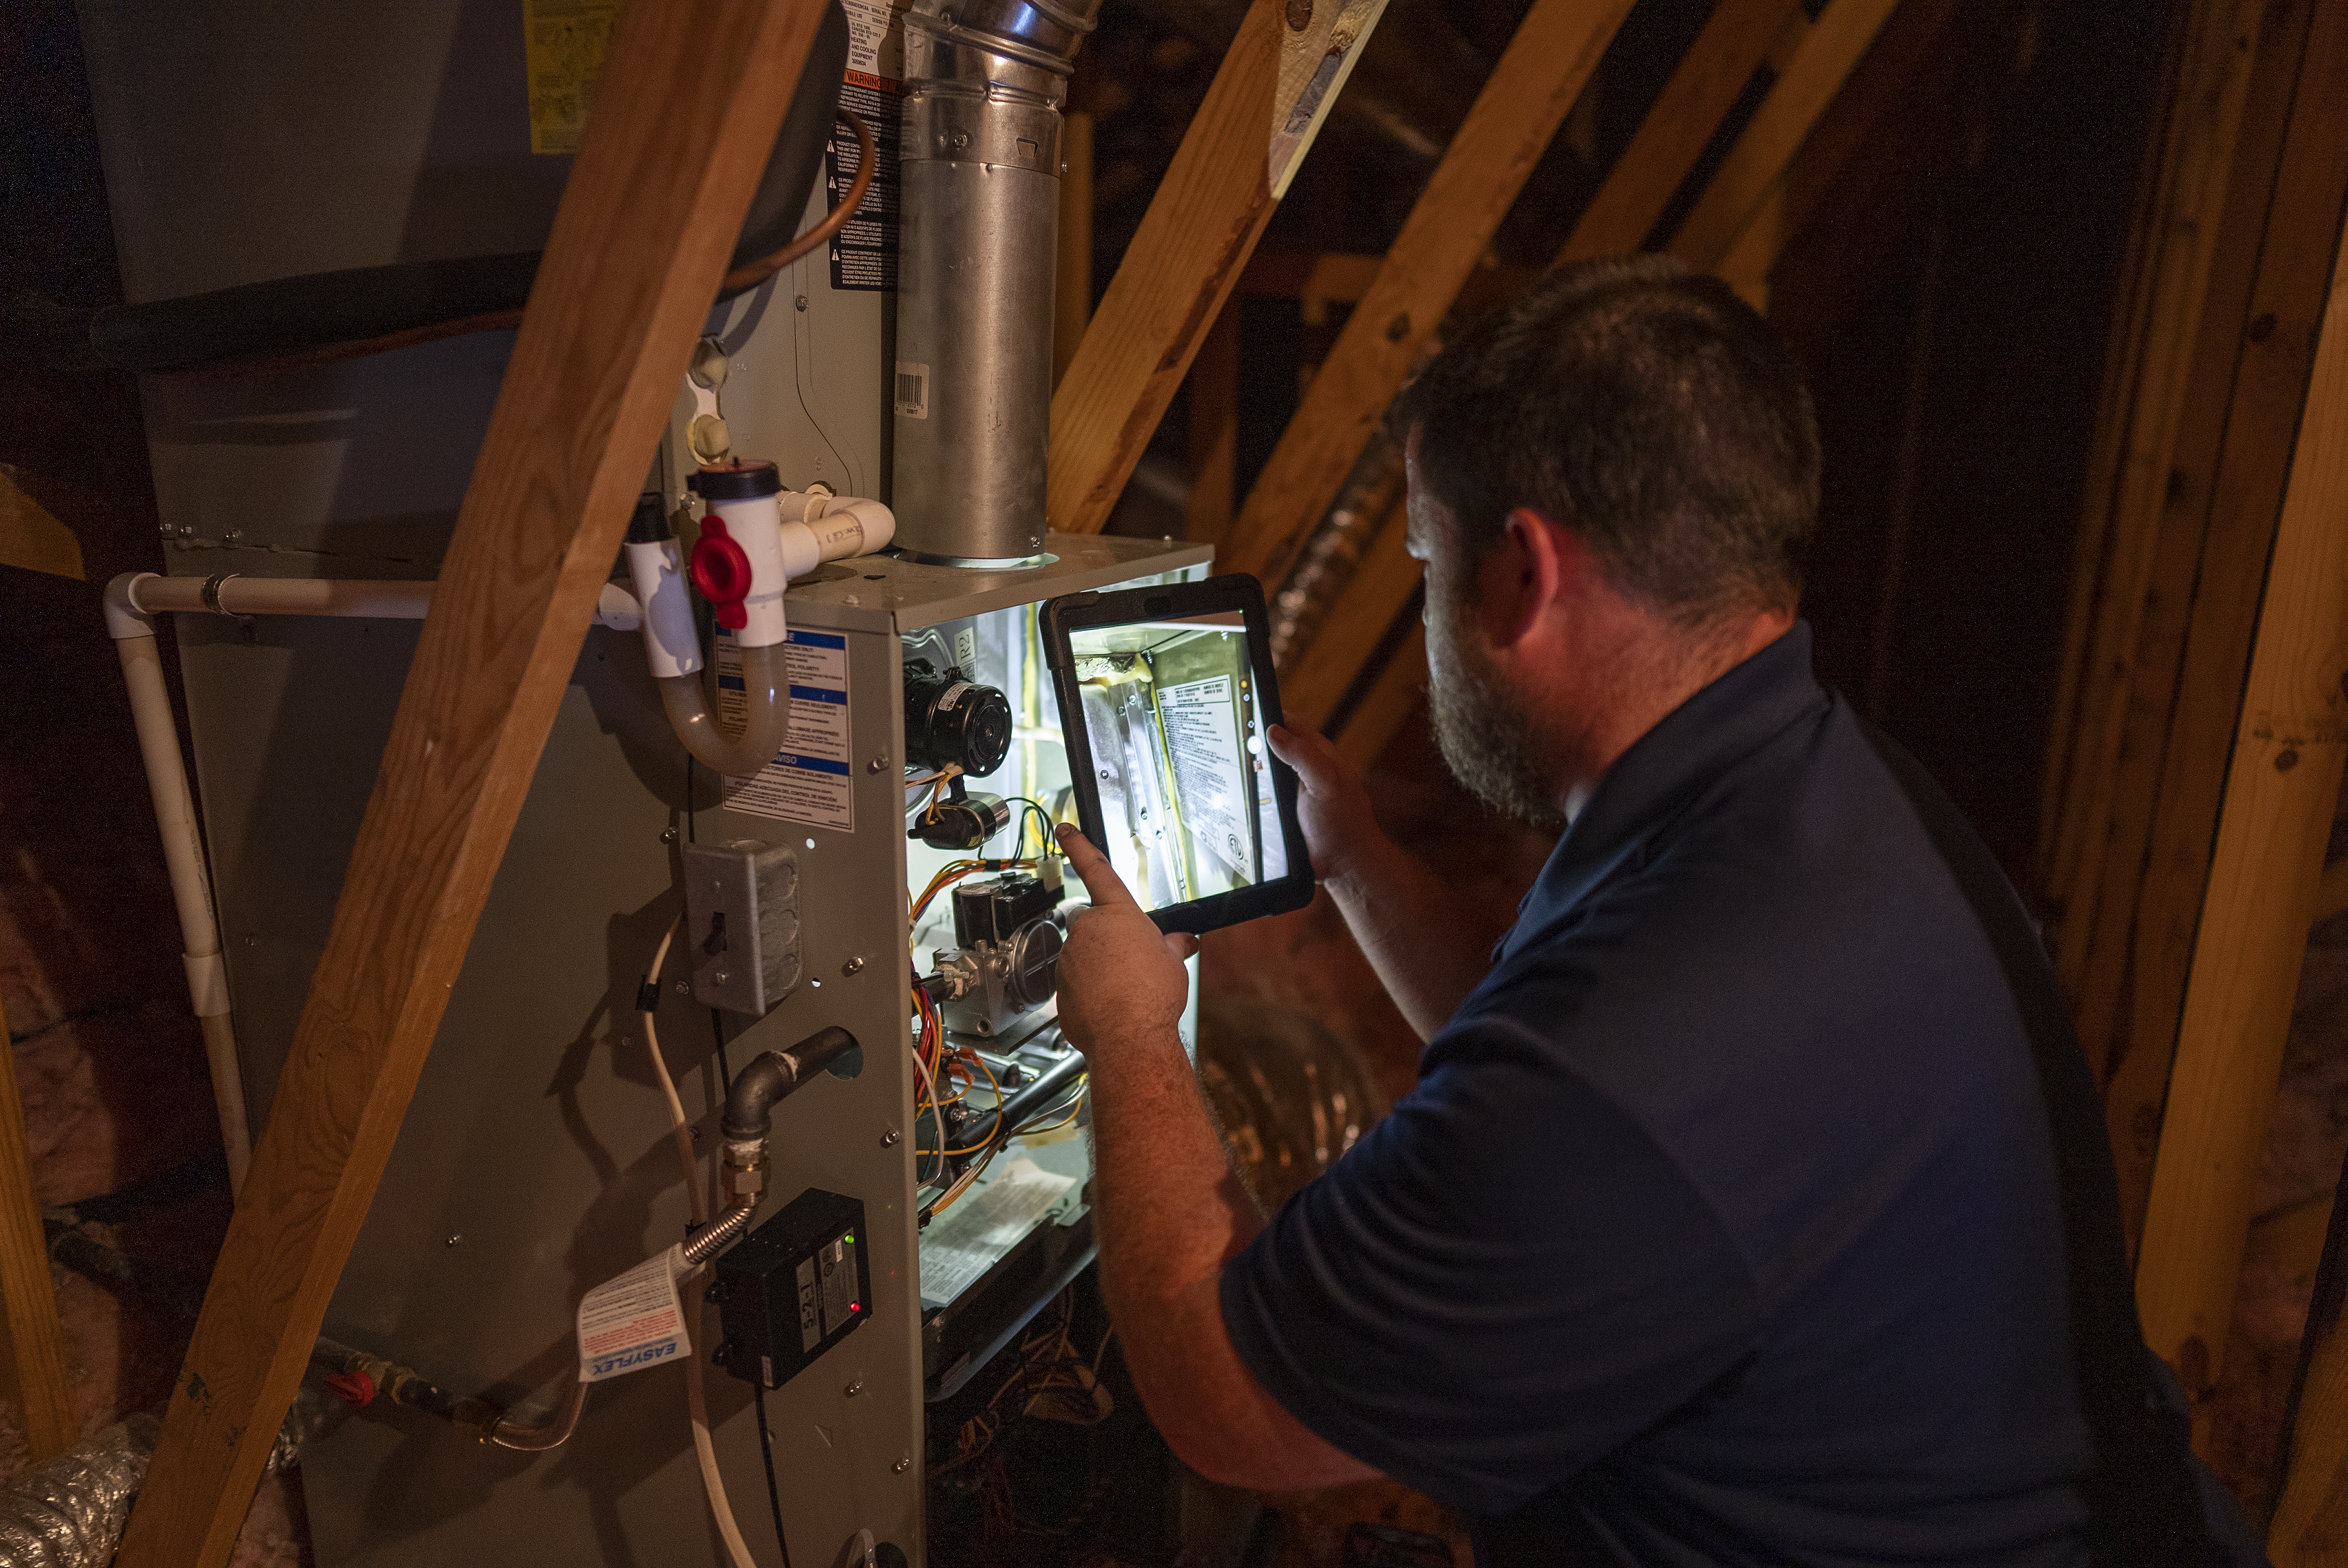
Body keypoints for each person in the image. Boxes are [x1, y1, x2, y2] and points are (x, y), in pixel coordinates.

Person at [1049, 255, 2256, 1566]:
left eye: (1423, 560)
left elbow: (1235, 1406)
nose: (1427, 619)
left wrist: (1130, 1030)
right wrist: (1356, 858)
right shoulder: (1806, 791)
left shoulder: (1649, 1052)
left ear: (1521, 572)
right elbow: (1554, 1058)